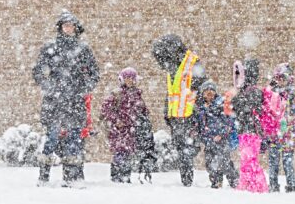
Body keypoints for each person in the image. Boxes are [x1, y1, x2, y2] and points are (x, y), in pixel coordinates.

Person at [33, 10, 100, 186]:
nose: (68, 29)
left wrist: (83, 89)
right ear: (60, 28)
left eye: (70, 26)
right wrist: (50, 88)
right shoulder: (50, 48)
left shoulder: (83, 49)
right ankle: (44, 177)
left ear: (76, 29)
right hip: (54, 102)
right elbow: (38, 71)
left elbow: (94, 74)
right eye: (65, 26)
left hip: (75, 101)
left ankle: (72, 178)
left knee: (74, 140)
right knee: (51, 138)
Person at [152, 34, 207, 186]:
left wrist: (197, 113)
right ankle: (186, 179)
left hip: (189, 116)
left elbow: (201, 89)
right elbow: (172, 92)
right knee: (182, 148)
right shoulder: (173, 67)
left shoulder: (191, 64)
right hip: (177, 117)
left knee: (187, 150)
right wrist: (167, 112)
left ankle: (188, 180)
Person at [101, 67, 152, 183]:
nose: (129, 81)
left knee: (127, 154)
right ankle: (117, 177)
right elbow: (106, 110)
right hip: (119, 130)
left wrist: (144, 119)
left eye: (132, 78)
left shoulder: (137, 95)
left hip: (131, 130)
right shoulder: (116, 94)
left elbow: (143, 110)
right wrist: (116, 120)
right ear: (122, 79)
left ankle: (125, 176)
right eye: (127, 78)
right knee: (120, 153)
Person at [264, 63, 295, 193]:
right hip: (274, 134)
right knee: (273, 162)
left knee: (288, 163)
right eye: (278, 78)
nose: (280, 81)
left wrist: (292, 128)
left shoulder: (293, 94)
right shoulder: (271, 93)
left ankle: (291, 186)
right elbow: (266, 112)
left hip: (287, 135)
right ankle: (273, 185)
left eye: (283, 78)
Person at [231, 59, 268, 193]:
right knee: (246, 160)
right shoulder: (247, 91)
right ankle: (247, 183)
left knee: (250, 160)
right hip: (245, 131)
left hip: (252, 131)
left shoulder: (254, 92)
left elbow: (244, 108)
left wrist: (237, 97)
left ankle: (258, 186)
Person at [197, 81, 239, 188]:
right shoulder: (201, 108)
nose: (209, 93)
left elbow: (229, 122)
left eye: (211, 91)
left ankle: (234, 181)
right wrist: (204, 137)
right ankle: (216, 181)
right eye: (206, 91)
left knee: (225, 162)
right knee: (210, 163)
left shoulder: (221, 105)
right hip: (209, 140)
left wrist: (222, 134)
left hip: (221, 139)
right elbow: (201, 126)